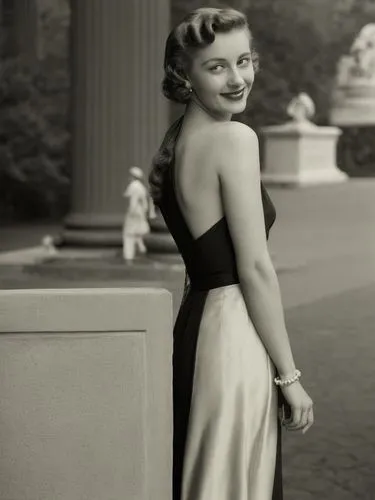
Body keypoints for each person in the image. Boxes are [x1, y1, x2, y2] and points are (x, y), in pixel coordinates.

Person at [148, 7, 314, 500]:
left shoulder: (178, 141)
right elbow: (256, 269)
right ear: (184, 76)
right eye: (217, 66)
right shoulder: (235, 139)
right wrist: (289, 376)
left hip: (197, 327)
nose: (238, 78)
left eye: (243, 60)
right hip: (232, 338)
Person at [122, 166, 150, 262]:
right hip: (140, 213)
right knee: (137, 234)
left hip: (134, 213)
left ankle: (128, 256)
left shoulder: (133, 186)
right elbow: (145, 204)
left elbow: (133, 202)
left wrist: (131, 213)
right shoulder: (141, 187)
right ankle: (142, 250)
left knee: (129, 234)